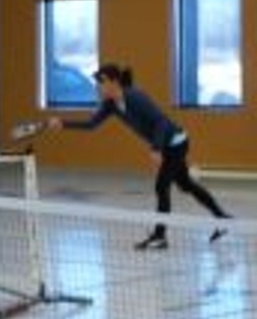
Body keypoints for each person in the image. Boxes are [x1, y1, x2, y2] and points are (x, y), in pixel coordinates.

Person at [48, 63, 230, 250]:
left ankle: (160, 237)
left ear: (114, 82)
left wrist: (156, 148)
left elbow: (160, 121)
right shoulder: (111, 105)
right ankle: (222, 219)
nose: (98, 87)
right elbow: (91, 124)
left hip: (175, 142)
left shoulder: (134, 96)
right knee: (185, 185)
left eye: (101, 82)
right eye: (97, 83)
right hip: (167, 146)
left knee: (162, 187)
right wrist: (63, 123)